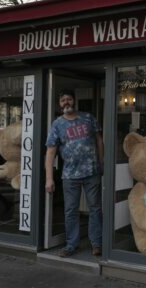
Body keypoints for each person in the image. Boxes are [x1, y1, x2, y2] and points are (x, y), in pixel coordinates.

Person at [45, 89, 104, 258]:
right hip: (69, 175)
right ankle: (72, 245)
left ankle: (97, 244)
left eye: (69, 99)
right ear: (59, 104)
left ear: (74, 101)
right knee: (70, 211)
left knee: (95, 209)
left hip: (92, 172)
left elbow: (99, 140)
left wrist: (102, 162)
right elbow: (50, 151)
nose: (66, 102)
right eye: (63, 100)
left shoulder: (88, 118)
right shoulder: (57, 124)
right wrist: (49, 178)